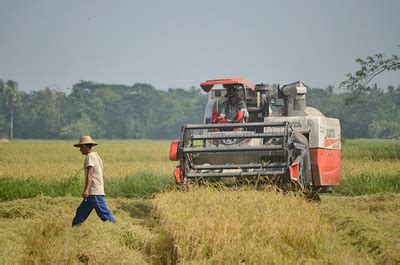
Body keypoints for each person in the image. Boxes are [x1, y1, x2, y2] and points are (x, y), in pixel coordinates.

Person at [72, 135, 116, 226]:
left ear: (84, 146)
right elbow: (101, 174)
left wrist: (86, 189)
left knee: (104, 213)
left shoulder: (90, 156)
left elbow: (90, 174)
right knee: (81, 212)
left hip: (94, 192)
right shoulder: (96, 156)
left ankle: (115, 228)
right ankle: (74, 229)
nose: (80, 149)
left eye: (80, 147)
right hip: (94, 192)